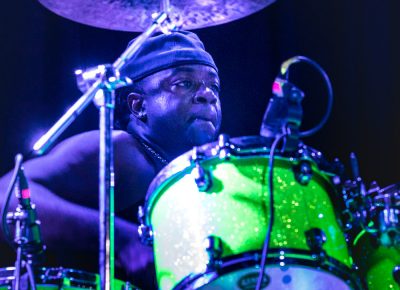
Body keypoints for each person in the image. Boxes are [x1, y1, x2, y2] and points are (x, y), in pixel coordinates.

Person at [0, 30, 222, 289]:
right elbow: (7, 194)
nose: (208, 94)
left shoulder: (194, 175)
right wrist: (125, 243)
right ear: (138, 106)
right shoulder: (128, 152)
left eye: (213, 85)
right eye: (184, 83)